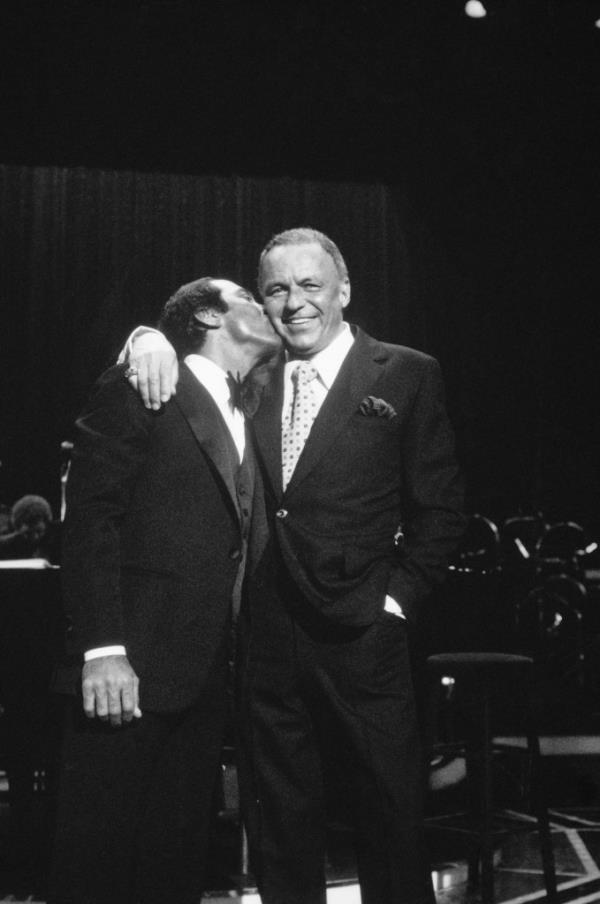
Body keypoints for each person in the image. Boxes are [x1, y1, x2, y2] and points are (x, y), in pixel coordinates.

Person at [126, 228, 465, 904]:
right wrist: (144, 337)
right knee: (280, 826)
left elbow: (442, 510)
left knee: (390, 824)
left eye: (310, 285)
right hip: (267, 638)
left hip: (366, 636)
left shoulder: (406, 372)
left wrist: (395, 603)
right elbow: (184, 343)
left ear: (343, 291)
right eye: (276, 289)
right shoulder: (251, 371)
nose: (294, 302)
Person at [48, 277, 280, 904]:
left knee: (172, 864)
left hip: (209, 673)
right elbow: (92, 519)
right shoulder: (146, 383)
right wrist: (103, 650)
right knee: (96, 860)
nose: (267, 306)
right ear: (208, 314)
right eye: (251, 299)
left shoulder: (253, 407)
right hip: (132, 667)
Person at [0, 494, 60, 563]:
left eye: (39, 531)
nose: (35, 537)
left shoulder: (58, 539)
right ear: (17, 530)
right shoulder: (7, 546)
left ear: (47, 525)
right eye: (28, 533)